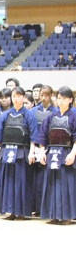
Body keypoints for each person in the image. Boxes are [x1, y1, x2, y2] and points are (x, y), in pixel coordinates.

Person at [0, 87, 38, 220]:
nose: (16, 99)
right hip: (6, 152)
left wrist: (32, 152)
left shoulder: (29, 115)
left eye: (18, 96)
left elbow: (34, 137)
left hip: (22, 152)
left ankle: (21, 212)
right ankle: (10, 211)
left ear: (23, 97)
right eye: (14, 96)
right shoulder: (5, 115)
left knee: (21, 182)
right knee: (8, 182)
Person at [38, 86, 76, 225]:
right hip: (52, 153)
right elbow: (42, 136)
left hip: (66, 153)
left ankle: (67, 216)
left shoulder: (74, 116)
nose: (60, 101)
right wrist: (41, 151)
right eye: (59, 98)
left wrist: (73, 153)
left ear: (70, 100)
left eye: (64, 98)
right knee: (52, 184)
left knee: (66, 185)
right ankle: (53, 214)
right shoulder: (51, 116)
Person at [31, 85, 54, 216]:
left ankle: (47, 208)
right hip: (35, 148)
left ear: (51, 96)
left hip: (50, 148)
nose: (44, 98)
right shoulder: (33, 111)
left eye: (46, 95)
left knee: (48, 179)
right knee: (36, 180)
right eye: (42, 95)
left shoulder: (55, 111)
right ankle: (37, 208)